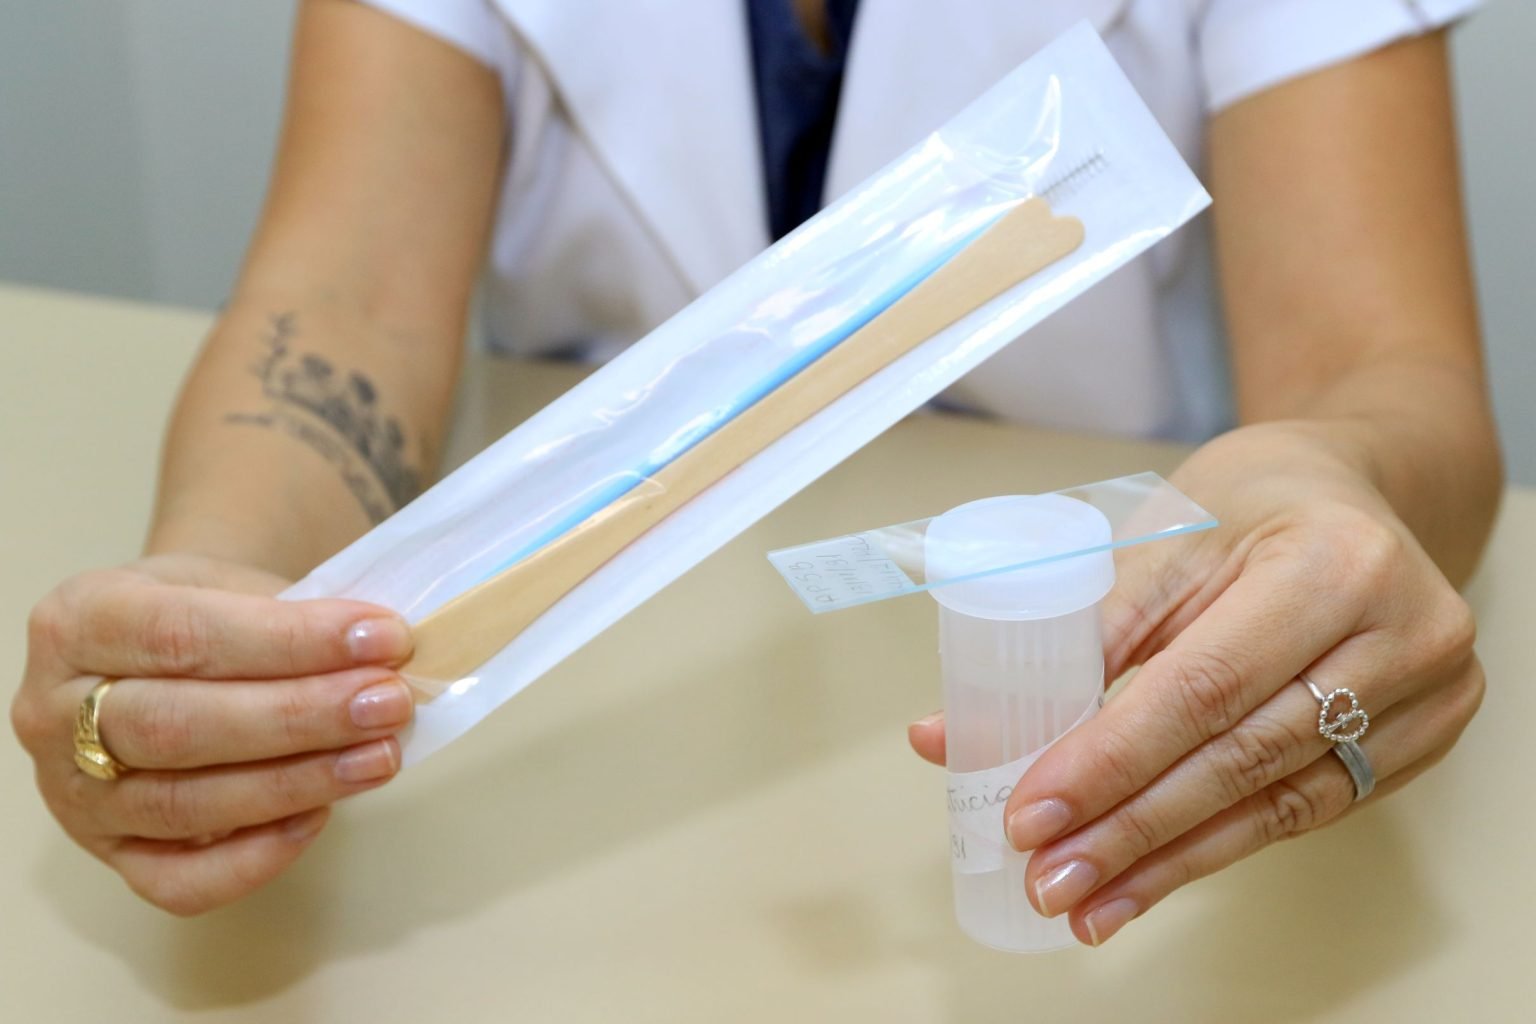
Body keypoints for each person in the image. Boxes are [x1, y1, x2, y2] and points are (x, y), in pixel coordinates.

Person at [10, 0, 1498, 946]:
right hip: (595, 711)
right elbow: (345, 307)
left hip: (1078, 631)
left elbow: (1383, 365)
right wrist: (213, 610)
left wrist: (1337, 479)